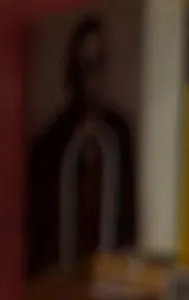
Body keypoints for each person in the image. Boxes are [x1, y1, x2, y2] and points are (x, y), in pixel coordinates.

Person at [26, 11, 137, 275]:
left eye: (98, 64)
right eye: (84, 66)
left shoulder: (120, 133)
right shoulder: (50, 142)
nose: (91, 78)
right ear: (72, 71)